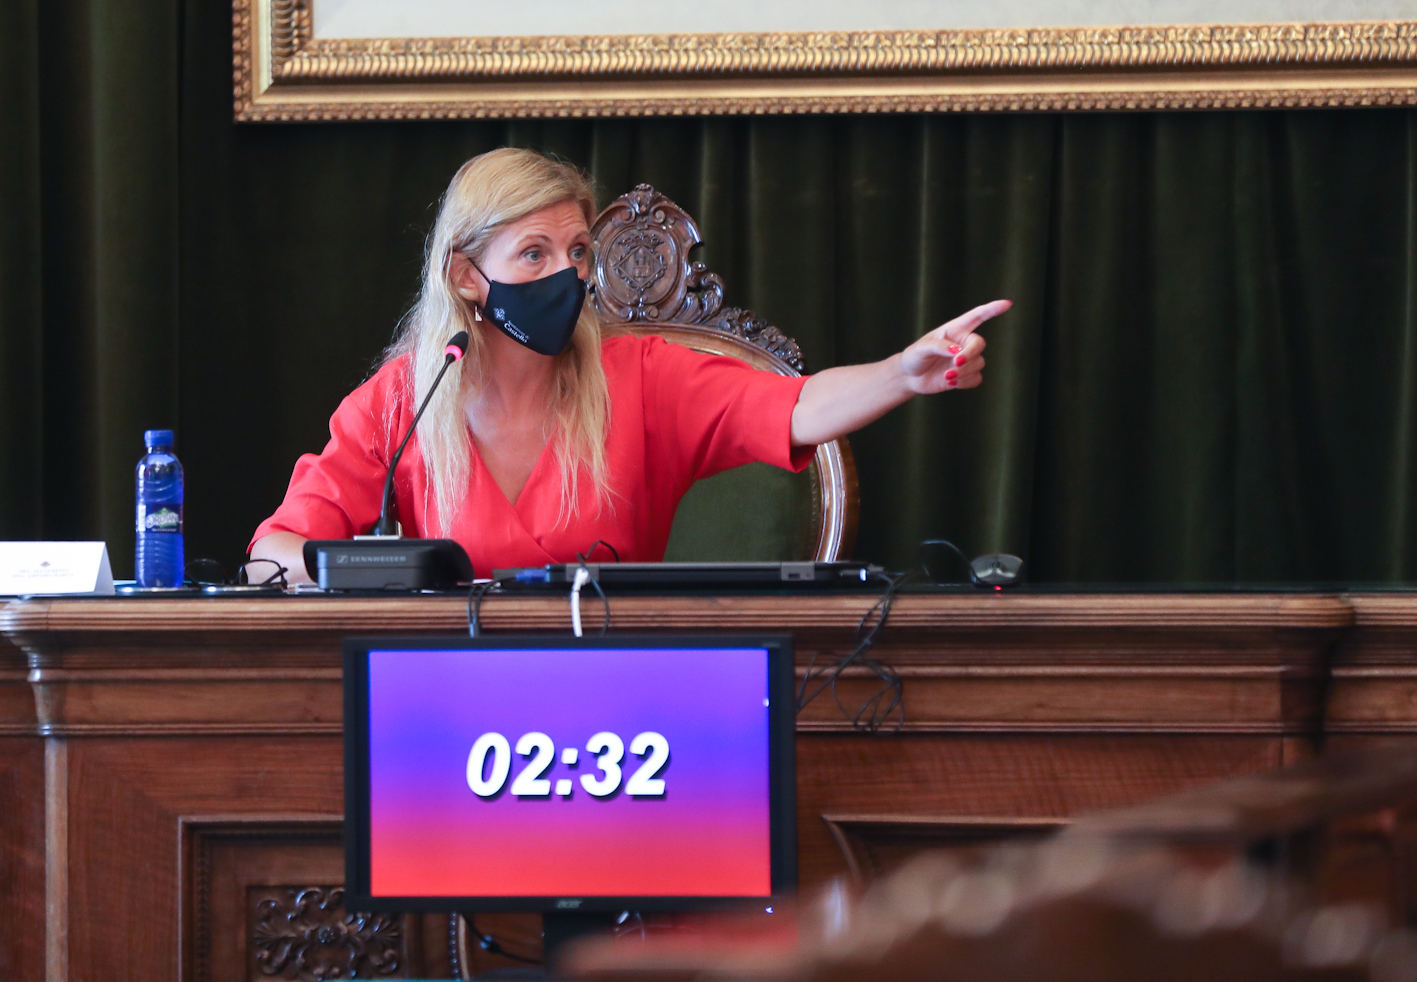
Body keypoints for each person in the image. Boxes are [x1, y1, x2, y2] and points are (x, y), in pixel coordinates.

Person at [249, 148, 1010, 584]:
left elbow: (798, 406)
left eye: (577, 251)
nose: (568, 275)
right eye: (534, 254)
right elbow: (272, 554)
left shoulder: (639, 377)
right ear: (466, 276)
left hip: (618, 696)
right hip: (450, 694)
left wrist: (902, 373)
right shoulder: (406, 399)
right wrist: (377, 576)